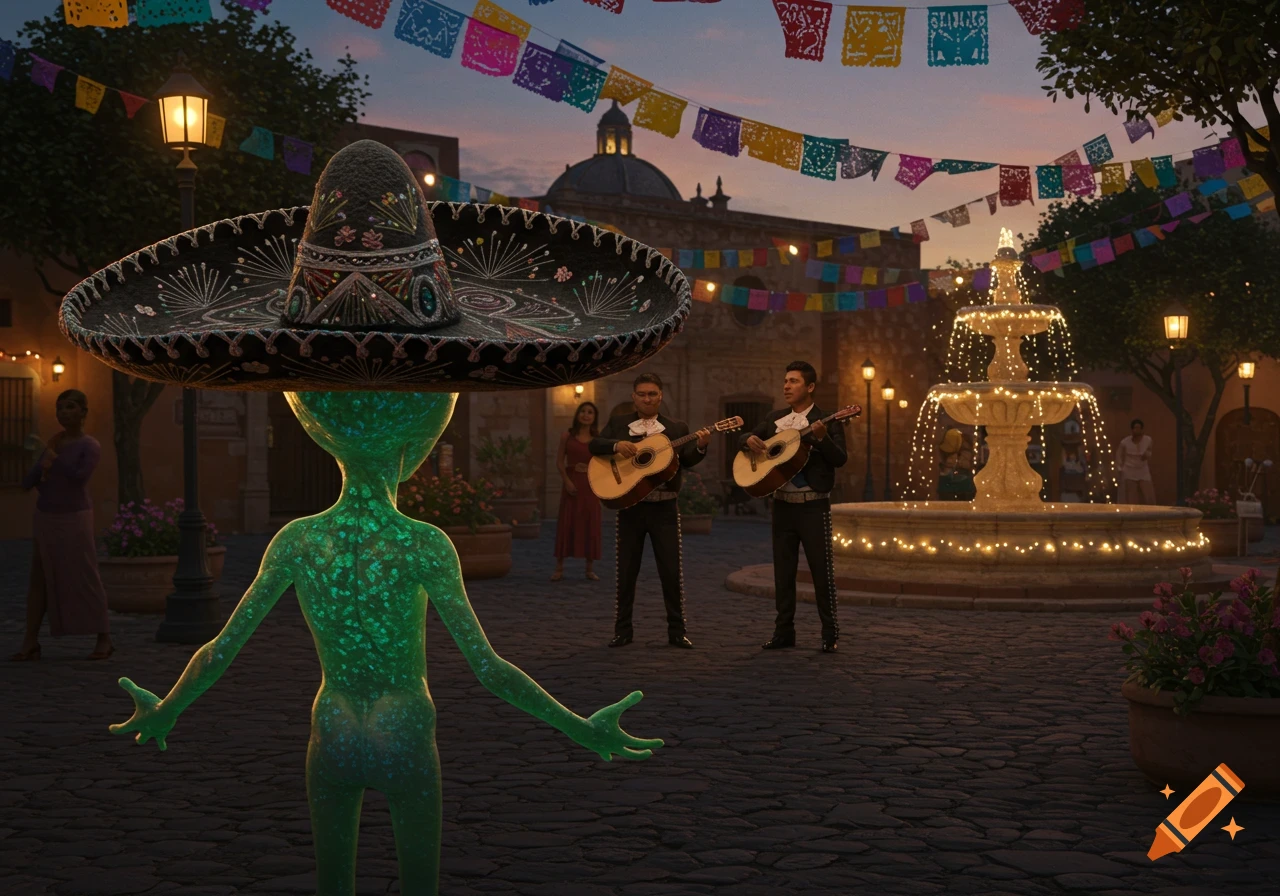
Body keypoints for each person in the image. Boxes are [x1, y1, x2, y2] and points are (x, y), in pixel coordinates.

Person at [590, 373, 709, 648]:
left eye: (652, 394)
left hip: (664, 507)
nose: (647, 398)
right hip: (630, 507)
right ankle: (623, 631)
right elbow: (594, 445)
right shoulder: (620, 424)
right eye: (642, 394)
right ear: (634, 397)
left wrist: (701, 446)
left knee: (670, 570)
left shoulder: (676, 428)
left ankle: (677, 632)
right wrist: (616, 445)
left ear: (661, 396)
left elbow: (687, 460)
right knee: (626, 571)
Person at [740, 361, 848, 654]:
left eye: (794, 381)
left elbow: (840, 459)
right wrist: (747, 440)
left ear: (810, 387)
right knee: (783, 571)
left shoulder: (828, 419)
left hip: (813, 506)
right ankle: (783, 631)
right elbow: (745, 438)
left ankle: (829, 632)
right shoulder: (775, 419)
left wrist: (823, 439)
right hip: (783, 505)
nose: (786, 386)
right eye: (785, 380)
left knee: (820, 570)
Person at [10, 389, 113, 661]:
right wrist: (41, 462)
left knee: (85, 574)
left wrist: (54, 461)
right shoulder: (53, 443)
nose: (63, 413)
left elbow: (79, 478)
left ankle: (104, 637)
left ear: (83, 412)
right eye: (59, 408)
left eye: (69, 407)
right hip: (46, 517)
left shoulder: (89, 445)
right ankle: (30, 641)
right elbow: (27, 482)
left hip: (74, 517)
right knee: (39, 578)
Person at [552, 401, 603, 582]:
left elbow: (603, 463)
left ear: (594, 417)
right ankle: (559, 567)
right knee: (568, 521)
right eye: (583, 411)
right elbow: (559, 461)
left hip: (590, 485)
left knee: (590, 522)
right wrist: (566, 481)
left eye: (590, 412)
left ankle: (589, 569)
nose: (586, 415)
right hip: (571, 483)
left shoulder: (598, 439)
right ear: (578, 414)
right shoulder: (567, 436)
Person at [1117, 419, 1155, 504]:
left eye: (1139, 428)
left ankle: (1151, 513)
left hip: (1143, 470)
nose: (1137, 430)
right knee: (1131, 496)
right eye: (1135, 428)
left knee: (1148, 495)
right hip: (1129, 470)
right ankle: (1133, 513)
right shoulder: (1124, 442)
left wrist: (1147, 455)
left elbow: (1149, 451)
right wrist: (1120, 468)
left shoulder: (1148, 440)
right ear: (1132, 429)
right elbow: (1119, 455)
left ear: (1142, 429)